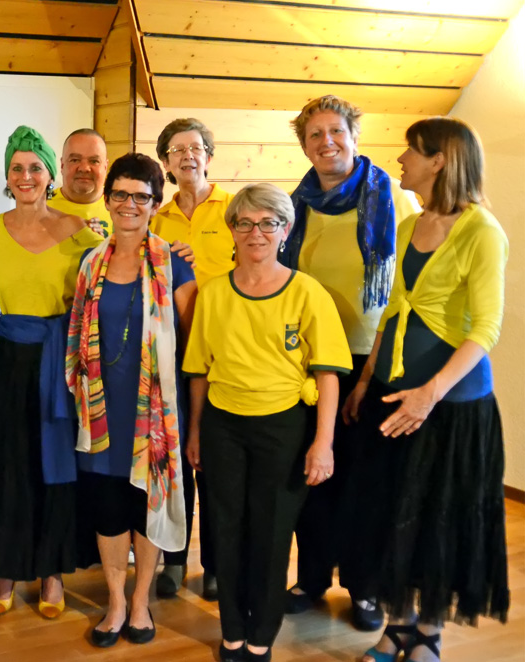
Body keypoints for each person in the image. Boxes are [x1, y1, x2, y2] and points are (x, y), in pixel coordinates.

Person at [343, 118, 509, 662]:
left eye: (410, 150)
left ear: (439, 160)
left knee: (439, 521)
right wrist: (366, 381)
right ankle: (398, 627)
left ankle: (429, 636)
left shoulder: (482, 231)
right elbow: (395, 308)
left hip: (450, 408)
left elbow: (486, 329)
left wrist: (429, 394)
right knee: (393, 515)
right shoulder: (412, 222)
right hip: (392, 394)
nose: (401, 159)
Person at [184, 183, 352, 662]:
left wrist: (324, 443)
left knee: (271, 534)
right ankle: (232, 630)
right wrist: (195, 432)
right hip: (222, 427)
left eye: (268, 223)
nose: (255, 232)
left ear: (285, 230)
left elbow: (328, 373)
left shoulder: (308, 292)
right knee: (226, 528)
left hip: (284, 429)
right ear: (232, 230)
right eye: (244, 223)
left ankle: (262, 634)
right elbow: (199, 371)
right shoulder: (214, 293)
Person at [281, 95, 420, 630]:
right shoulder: (298, 203)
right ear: (305, 146)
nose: (327, 142)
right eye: (314, 134)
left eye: (336, 131)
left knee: (366, 482)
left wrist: (369, 374)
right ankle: (313, 577)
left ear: (354, 137)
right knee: (313, 475)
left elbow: (404, 293)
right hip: (310, 358)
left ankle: (365, 589)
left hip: (371, 360)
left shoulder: (392, 199)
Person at [0, 125, 103, 619]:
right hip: (9, 359)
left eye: (35, 168)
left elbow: (109, 280)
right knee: (10, 465)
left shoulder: (81, 232)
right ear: (8, 177)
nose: (25, 176)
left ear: (50, 175)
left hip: (59, 362)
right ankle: (5, 570)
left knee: (55, 468)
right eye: (16, 168)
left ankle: (51, 573)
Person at [66, 153, 196, 647]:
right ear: (107, 199)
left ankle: (141, 601)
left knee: (146, 505)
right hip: (100, 412)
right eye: (120, 194)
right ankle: (116, 601)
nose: (129, 204)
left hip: (154, 415)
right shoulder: (91, 262)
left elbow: (193, 347)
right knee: (108, 508)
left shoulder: (174, 265)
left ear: (155, 204)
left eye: (141, 196)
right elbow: (78, 333)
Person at [149, 117, 233, 599]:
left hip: (225, 351)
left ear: (208, 156)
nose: (187, 156)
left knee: (216, 466)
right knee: (178, 461)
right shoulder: (156, 218)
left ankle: (217, 565)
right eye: (177, 150)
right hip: (175, 353)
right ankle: (175, 560)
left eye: (195, 147)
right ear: (166, 162)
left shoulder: (234, 208)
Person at [47, 128, 112, 236]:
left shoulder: (123, 208)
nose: (84, 168)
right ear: (62, 165)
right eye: (75, 160)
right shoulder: (40, 209)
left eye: (94, 161)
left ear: (105, 167)